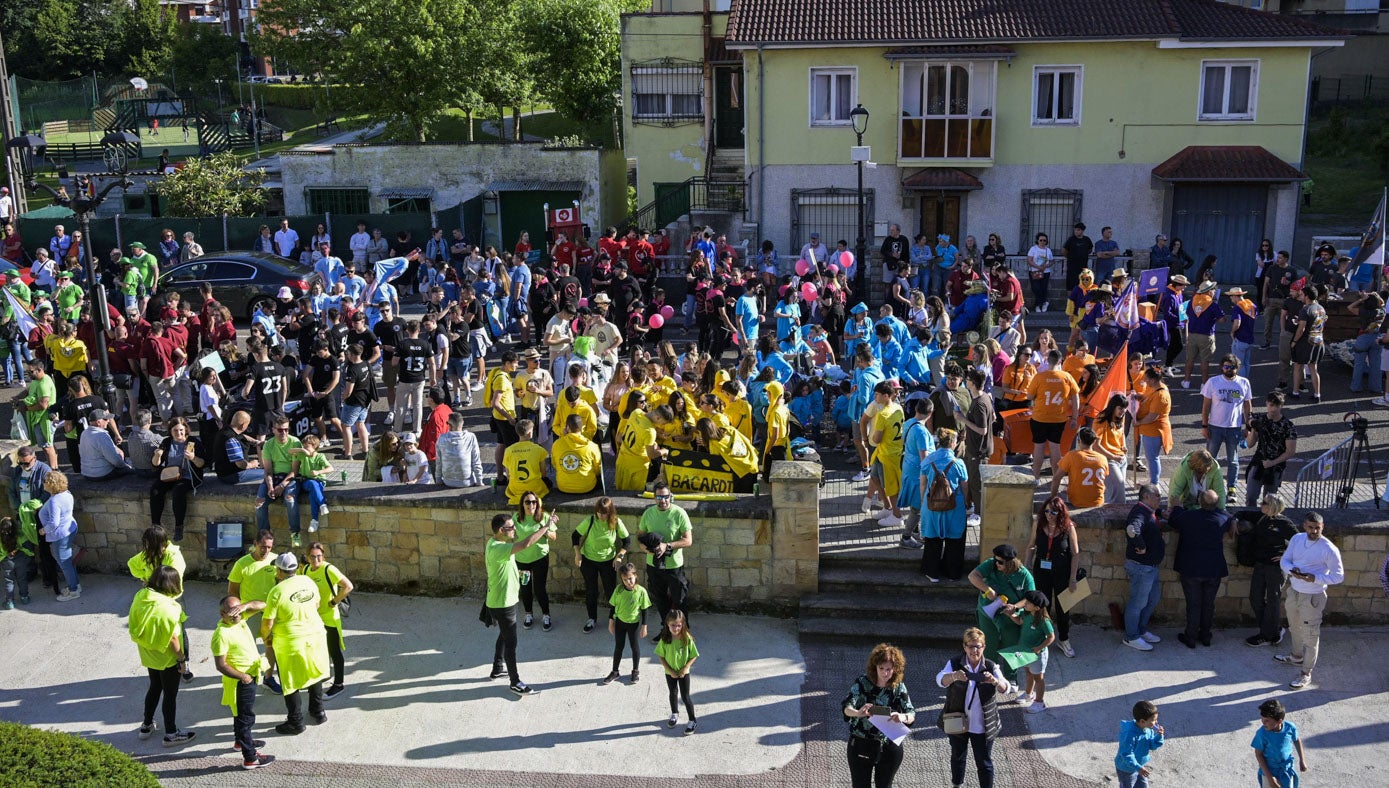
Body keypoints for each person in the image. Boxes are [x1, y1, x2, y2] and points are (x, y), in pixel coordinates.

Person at [262, 552, 330, 733]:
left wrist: (267, 639)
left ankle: (295, 721)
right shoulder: (308, 581)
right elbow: (316, 604)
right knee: (314, 674)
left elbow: (267, 622)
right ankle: (318, 712)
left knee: (290, 681)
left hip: (290, 642)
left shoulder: (276, 591)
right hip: (315, 636)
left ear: (278, 570)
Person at [1276, 512, 1344, 690]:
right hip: (1294, 591)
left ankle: (1306, 673)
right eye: (1311, 527)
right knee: (1294, 627)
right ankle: (1296, 656)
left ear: (1323, 527)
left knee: (1311, 635)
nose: (1314, 531)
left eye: (1318, 528)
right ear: (1304, 526)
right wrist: (1293, 570)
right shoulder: (1297, 539)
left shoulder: (1329, 549)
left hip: (1313, 596)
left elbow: (1338, 577)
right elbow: (1285, 560)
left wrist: (1314, 578)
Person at [129, 566, 195, 746]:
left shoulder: (141, 596)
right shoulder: (170, 608)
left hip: (149, 654)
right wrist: (181, 660)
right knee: (170, 695)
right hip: (167, 659)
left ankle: (146, 725)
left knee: (154, 687)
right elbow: (173, 638)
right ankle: (171, 734)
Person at [485, 511, 550, 696]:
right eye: (511, 527)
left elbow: (505, 567)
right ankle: (515, 682)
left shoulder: (498, 543)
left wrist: (519, 575)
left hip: (500, 600)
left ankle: (497, 668)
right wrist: (545, 527)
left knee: (504, 635)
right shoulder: (499, 548)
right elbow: (527, 543)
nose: (515, 530)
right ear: (500, 530)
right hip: (503, 604)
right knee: (511, 642)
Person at [935, 627, 1007, 788]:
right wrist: (954, 676)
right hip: (957, 719)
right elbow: (939, 680)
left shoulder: (990, 666)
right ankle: (956, 785)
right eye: (970, 646)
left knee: (984, 762)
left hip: (981, 724)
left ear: (984, 647)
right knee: (957, 756)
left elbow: (1006, 688)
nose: (974, 650)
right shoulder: (954, 662)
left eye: (978, 646)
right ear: (964, 647)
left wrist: (994, 681)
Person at [211, 595, 275, 770]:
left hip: (251, 675)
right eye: (232, 611)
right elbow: (221, 665)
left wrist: (245, 606)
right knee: (245, 718)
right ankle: (250, 757)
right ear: (222, 613)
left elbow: (263, 604)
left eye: (238, 610)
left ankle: (240, 742)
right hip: (241, 681)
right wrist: (243, 677)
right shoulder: (221, 634)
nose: (236, 615)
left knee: (240, 714)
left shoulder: (240, 618)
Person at [842, 643, 915, 788]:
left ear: (895, 669)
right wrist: (857, 713)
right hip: (862, 743)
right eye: (881, 668)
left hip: (889, 745)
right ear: (874, 666)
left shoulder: (898, 686)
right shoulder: (863, 683)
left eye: (889, 669)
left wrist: (902, 717)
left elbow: (911, 713)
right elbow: (846, 707)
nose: (885, 673)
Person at [1168, 489, 1234, 649]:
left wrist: (1177, 506)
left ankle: (1190, 636)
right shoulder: (1223, 518)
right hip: (1213, 569)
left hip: (1191, 568)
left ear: (1199, 502)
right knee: (1208, 604)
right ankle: (1205, 635)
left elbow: (1173, 520)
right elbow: (1229, 515)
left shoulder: (1189, 517)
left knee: (1194, 604)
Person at [1023, 497, 1080, 658]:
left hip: (1062, 571)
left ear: (1060, 512)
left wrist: (1073, 578)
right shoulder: (1039, 524)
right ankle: (1042, 637)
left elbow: (1075, 554)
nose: (1049, 515)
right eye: (1047, 511)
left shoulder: (1068, 527)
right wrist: (1026, 567)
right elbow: (1031, 546)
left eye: (1053, 511)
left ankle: (1063, 638)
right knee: (1042, 606)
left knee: (1063, 607)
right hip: (1042, 570)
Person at [1238, 494, 1297, 648]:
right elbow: (1241, 513)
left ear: (1272, 506)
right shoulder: (1261, 517)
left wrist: (1285, 556)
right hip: (1260, 564)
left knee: (1273, 600)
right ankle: (1274, 630)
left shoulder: (1284, 523)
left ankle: (1266, 635)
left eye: (1264, 502)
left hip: (1275, 568)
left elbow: (1299, 542)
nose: (1260, 504)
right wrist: (1233, 521)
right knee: (1255, 597)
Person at [299, 543, 353, 699]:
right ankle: (322, 676)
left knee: (334, 650)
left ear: (323, 556)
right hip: (314, 618)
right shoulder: (306, 570)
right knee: (317, 649)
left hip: (330, 618)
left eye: (319, 556)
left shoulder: (329, 569)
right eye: (312, 556)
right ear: (308, 557)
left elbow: (348, 586)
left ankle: (339, 684)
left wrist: (334, 602)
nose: (316, 559)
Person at [573, 497, 630, 634]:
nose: (601, 515)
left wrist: (619, 556)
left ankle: (614, 618)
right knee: (591, 591)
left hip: (607, 562)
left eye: (604, 513)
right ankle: (591, 618)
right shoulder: (590, 520)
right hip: (588, 560)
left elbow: (627, 541)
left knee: (611, 592)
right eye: (599, 512)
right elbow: (575, 536)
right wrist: (577, 554)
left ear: (610, 512)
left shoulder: (616, 522)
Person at [1201, 354, 1252, 506]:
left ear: (1237, 368)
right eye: (1226, 366)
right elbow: (1206, 406)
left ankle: (1231, 489)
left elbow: (1247, 406)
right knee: (1209, 459)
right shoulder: (1213, 382)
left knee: (1233, 461)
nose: (1228, 369)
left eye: (1232, 367)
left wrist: (1248, 425)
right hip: (1215, 427)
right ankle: (1208, 487)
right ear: (1221, 367)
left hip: (1234, 428)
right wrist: (1204, 425)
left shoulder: (1244, 383)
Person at [920, 428, 968, 582]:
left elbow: (922, 484)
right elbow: (964, 486)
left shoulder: (928, 461)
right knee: (955, 540)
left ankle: (932, 572)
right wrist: (966, 501)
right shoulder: (959, 463)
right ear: (953, 443)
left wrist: (923, 502)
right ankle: (953, 572)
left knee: (932, 540)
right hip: (954, 505)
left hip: (932, 505)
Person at [1123, 484, 1166, 651]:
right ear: (1146, 497)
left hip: (1150, 568)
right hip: (1141, 567)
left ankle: (1140, 630)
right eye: (1157, 496)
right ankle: (1131, 636)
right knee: (1138, 602)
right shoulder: (1139, 513)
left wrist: (1161, 513)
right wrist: (1140, 545)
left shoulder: (1147, 511)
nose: (1160, 499)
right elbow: (1132, 529)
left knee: (1152, 599)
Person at [149, 418, 206, 542]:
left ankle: (179, 525)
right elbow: (155, 465)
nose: (178, 433)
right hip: (170, 474)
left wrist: (193, 458)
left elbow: (202, 464)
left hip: (188, 476)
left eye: (181, 430)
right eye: (175, 430)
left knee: (178, 491)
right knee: (155, 490)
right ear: (170, 431)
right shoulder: (167, 442)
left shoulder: (193, 442)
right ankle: (155, 525)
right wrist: (157, 455)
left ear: (186, 430)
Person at [1026, 350, 1079, 478]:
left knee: (1038, 448)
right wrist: (1074, 418)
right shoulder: (1067, 377)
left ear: (1047, 361)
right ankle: (1056, 478)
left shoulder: (1039, 377)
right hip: (1058, 418)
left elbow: (1029, 396)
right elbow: (1076, 397)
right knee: (1055, 448)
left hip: (1039, 417)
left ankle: (1036, 477)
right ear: (1060, 361)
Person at [1006, 589, 1055, 714]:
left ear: (1037, 608)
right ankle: (1028, 694)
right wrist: (1010, 615)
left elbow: (1051, 637)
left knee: (1038, 678)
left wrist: (1039, 648)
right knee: (1028, 672)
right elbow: (1020, 621)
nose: (1025, 604)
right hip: (1026, 652)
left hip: (1037, 654)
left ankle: (1040, 702)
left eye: (1028, 603)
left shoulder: (1044, 621)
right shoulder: (1026, 614)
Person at [257, 415, 303, 547]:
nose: (284, 433)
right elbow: (268, 470)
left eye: (286, 430)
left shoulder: (295, 443)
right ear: (273, 430)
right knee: (259, 503)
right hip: (274, 476)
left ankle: (295, 533)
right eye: (280, 430)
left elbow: (295, 470)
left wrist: (282, 485)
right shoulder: (269, 445)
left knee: (290, 499)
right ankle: (264, 537)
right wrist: (271, 486)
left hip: (290, 478)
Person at [604, 562, 652, 685]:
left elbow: (645, 609)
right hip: (620, 622)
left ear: (635, 576)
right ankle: (615, 672)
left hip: (634, 624)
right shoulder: (619, 590)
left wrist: (644, 626)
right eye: (624, 580)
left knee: (634, 647)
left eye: (630, 578)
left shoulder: (641, 591)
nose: (628, 582)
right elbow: (613, 606)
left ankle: (635, 671)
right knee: (618, 647)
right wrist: (611, 622)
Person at [655, 610, 700, 735]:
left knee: (685, 696)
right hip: (670, 672)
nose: (676, 628)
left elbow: (694, 655)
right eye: (673, 625)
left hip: (684, 672)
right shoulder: (665, 639)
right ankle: (675, 713)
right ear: (667, 625)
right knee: (673, 693)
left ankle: (692, 720)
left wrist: (686, 668)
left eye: (679, 625)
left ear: (683, 625)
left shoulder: (687, 638)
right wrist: (670, 671)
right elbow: (661, 656)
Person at [38, 471, 80, 601]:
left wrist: (43, 531)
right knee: (67, 560)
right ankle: (75, 585)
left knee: (64, 563)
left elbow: (54, 523)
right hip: (70, 528)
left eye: (45, 481)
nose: (43, 483)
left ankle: (73, 591)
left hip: (59, 535)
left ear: (51, 485)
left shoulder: (54, 501)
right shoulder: (67, 494)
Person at [961, 369, 994, 522]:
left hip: (978, 450)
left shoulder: (979, 404)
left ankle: (979, 514)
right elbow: (993, 417)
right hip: (977, 447)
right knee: (973, 480)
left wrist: (963, 419)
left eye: (967, 379)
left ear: (972, 384)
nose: (965, 381)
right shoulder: (985, 397)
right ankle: (973, 507)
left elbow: (982, 430)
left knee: (976, 483)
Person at [1251, 699, 1307, 788]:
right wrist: (1270, 779)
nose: (1263, 722)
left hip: (1286, 771)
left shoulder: (1290, 727)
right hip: (1268, 772)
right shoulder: (1261, 734)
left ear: (1279, 721)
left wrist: (1302, 759)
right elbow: (1258, 754)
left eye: (1267, 720)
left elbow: (1296, 739)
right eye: (1262, 718)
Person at [1052, 426, 1107, 509]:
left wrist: (1053, 498)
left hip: (1076, 502)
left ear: (1078, 441)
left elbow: (1056, 478)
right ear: (1094, 441)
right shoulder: (1103, 458)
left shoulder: (1072, 455)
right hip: (1097, 502)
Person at [1115, 700, 1165, 788]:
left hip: (1139, 767)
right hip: (1126, 769)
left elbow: (1152, 745)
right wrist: (1138, 767)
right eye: (1153, 720)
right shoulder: (1129, 735)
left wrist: (1159, 736)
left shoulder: (1148, 730)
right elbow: (1126, 754)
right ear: (1142, 721)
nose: (1156, 722)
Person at [1135, 367, 1172, 485]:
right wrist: (1139, 396)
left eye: (1146, 379)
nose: (1145, 381)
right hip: (1150, 430)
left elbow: (1152, 417)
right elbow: (1147, 397)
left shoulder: (1161, 395)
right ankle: (1151, 479)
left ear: (1153, 380)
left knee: (1153, 458)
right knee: (1150, 457)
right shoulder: (1154, 388)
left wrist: (1138, 423)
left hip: (1155, 431)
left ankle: (1154, 483)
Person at [551, 413, 603, 494]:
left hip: (563, 486)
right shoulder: (592, 446)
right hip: (587, 487)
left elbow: (555, 464)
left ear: (567, 428)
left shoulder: (556, 444)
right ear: (582, 428)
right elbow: (598, 469)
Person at [79, 409, 131, 481]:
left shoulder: (84, 433)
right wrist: (125, 466)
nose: (108, 421)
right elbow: (116, 461)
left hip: (86, 473)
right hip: (101, 474)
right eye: (106, 419)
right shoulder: (101, 435)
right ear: (98, 422)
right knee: (132, 471)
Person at [436, 411, 484, 488]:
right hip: (467, 482)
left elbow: (438, 461)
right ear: (462, 423)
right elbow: (476, 461)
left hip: (448, 481)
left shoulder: (442, 438)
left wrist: (438, 480)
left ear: (450, 425)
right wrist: (479, 481)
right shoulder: (470, 437)